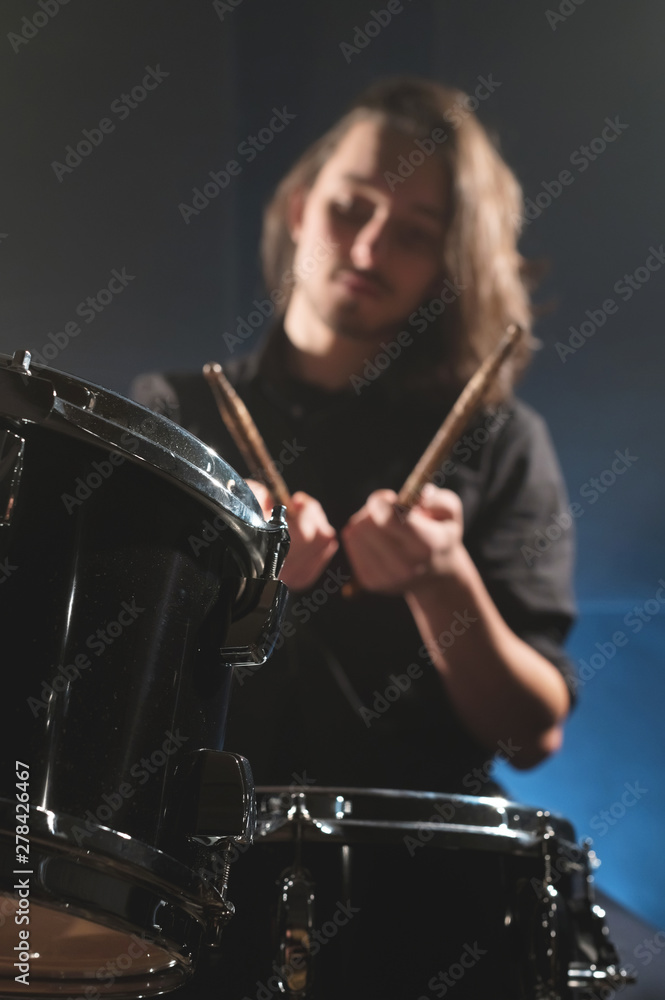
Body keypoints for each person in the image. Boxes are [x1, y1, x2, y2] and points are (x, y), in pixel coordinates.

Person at [133, 77, 577, 996]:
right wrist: (244, 589)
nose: (370, 245)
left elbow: (533, 731)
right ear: (301, 208)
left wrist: (443, 584)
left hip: (432, 898)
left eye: (415, 232)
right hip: (198, 884)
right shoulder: (176, 414)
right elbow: (115, 698)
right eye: (351, 207)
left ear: (447, 265)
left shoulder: (499, 441)